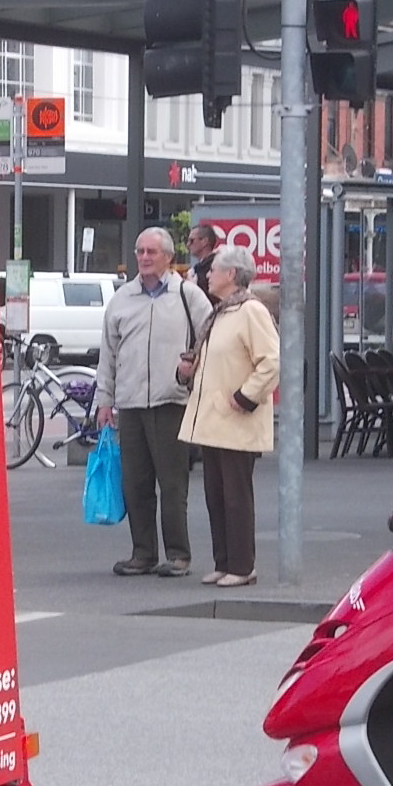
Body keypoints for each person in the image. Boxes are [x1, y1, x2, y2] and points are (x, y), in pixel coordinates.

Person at [94, 227, 212, 578]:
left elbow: (210, 339)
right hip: (130, 404)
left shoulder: (188, 296)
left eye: (151, 252)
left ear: (168, 257)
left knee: (173, 483)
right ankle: (142, 553)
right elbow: (108, 355)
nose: (144, 257)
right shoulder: (122, 299)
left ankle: (178, 555)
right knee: (135, 483)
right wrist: (105, 401)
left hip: (171, 401)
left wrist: (192, 373)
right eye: (140, 251)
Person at [176, 245, 279, 588]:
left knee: (236, 498)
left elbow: (271, 361)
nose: (207, 275)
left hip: (236, 420)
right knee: (216, 496)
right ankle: (224, 562)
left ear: (232, 275)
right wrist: (189, 369)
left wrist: (245, 396)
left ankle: (242, 565)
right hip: (213, 422)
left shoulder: (251, 311)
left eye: (214, 270)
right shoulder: (221, 312)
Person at [187, 223, 222, 297]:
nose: (188, 244)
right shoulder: (198, 268)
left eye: (192, 240)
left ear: (205, 241)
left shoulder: (216, 266)